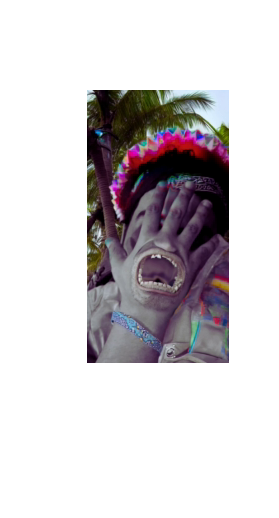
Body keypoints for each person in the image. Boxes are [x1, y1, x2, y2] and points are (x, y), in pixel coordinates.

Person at [87, 128, 229, 363]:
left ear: (219, 251)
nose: (166, 245)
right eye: (152, 227)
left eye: (193, 236)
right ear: (125, 239)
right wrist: (143, 313)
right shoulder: (92, 309)